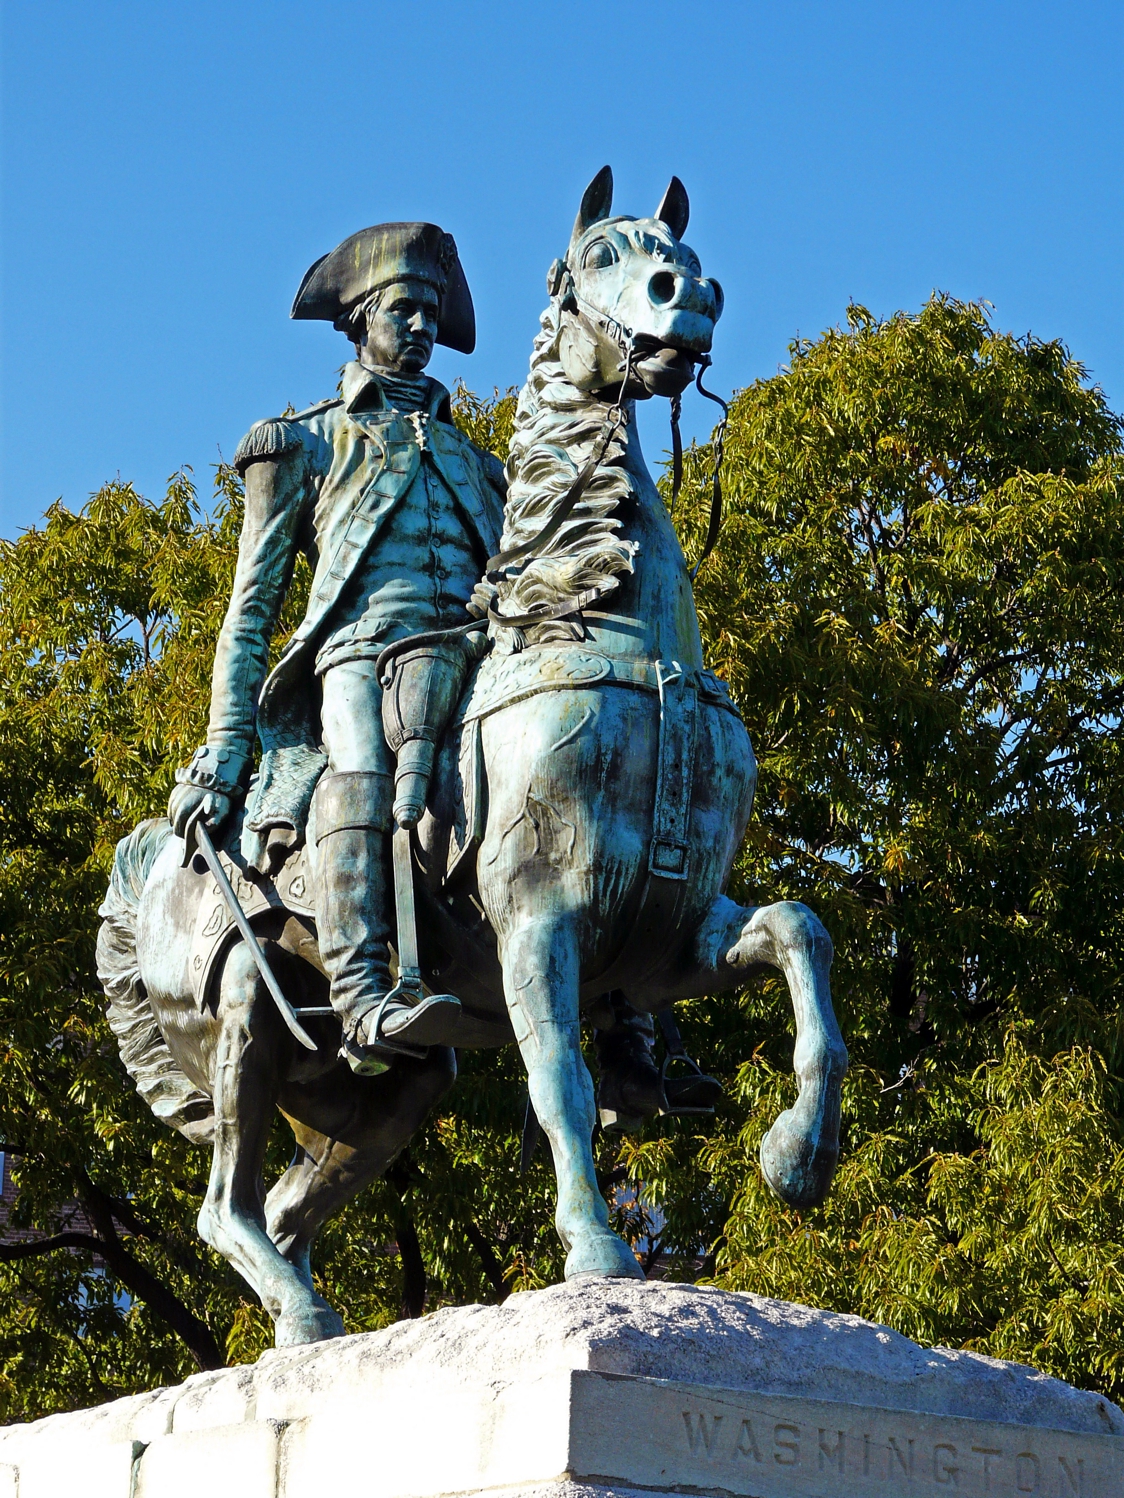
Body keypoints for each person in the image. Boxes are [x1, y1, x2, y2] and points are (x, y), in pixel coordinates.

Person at [169, 222, 504, 1073]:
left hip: (473, 652)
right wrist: (222, 752)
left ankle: (620, 1012)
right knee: (360, 761)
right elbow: (251, 612)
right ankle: (363, 992)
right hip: (361, 654)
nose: (423, 327)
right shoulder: (304, 442)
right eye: (404, 310)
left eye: (433, 312)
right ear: (359, 321)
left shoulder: (480, 463)